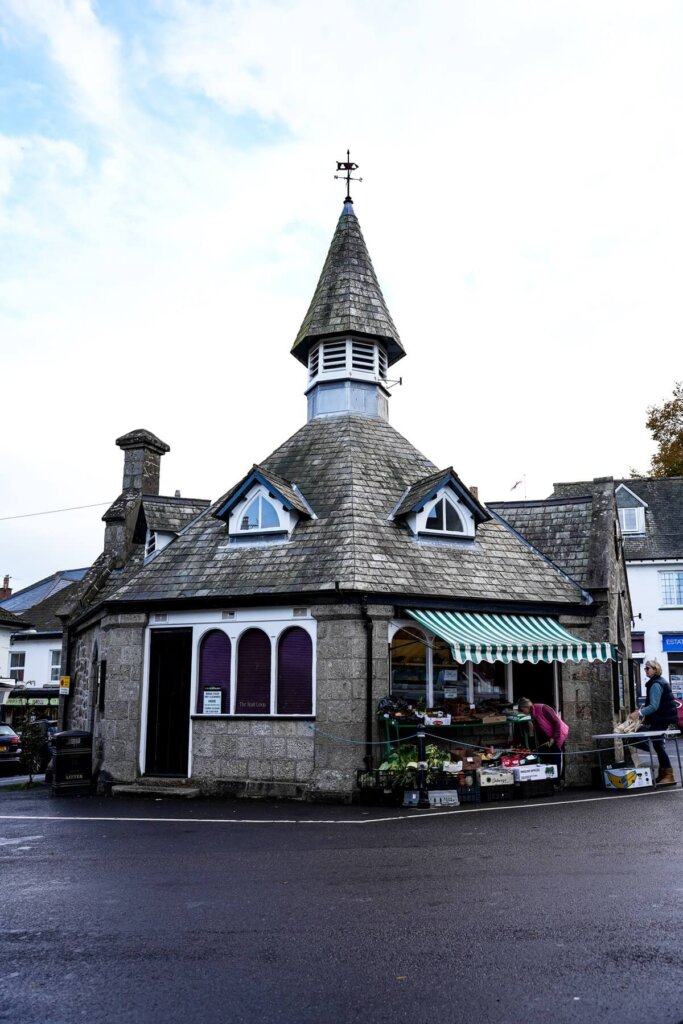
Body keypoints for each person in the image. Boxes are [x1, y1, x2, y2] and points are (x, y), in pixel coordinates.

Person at [629, 659, 678, 785]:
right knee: (658, 745)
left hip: (661, 718)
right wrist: (645, 714)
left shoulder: (656, 684)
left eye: (647, 668)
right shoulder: (657, 682)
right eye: (645, 668)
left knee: (657, 745)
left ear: (655, 669)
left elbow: (654, 706)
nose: (645, 670)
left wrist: (639, 713)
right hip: (662, 718)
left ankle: (668, 775)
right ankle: (664, 774)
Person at [517, 697, 568, 783]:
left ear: (525, 707)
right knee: (548, 758)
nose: (523, 712)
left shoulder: (543, 708)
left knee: (556, 758)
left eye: (522, 710)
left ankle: (557, 782)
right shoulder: (532, 714)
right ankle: (550, 780)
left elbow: (557, 722)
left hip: (557, 735)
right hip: (548, 738)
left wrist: (553, 738)